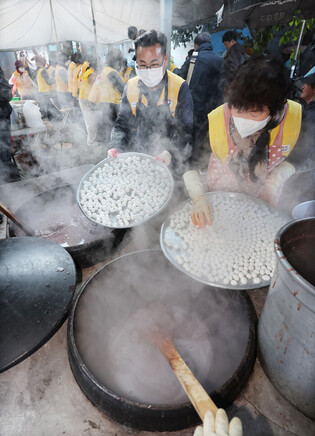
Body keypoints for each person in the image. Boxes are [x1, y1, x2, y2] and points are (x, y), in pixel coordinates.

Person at [183, 56, 304, 227]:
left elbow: (299, 156)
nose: (242, 118)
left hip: (264, 203)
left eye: (254, 113)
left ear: (277, 108)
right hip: (219, 201)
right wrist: (199, 198)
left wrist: (273, 182)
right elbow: (190, 164)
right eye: (237, 107)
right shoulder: (216, 121)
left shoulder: (295, 118)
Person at [109, 30, 193, 170]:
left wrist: (170, 152)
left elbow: (185, 128)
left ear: (165, 60)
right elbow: (122, 124)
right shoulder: (131, 87)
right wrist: (115, 146)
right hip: (141, 153)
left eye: (154, 64)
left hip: (170, 157)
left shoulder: (179, 87)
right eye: (142, 65)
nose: (148, 70)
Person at [178, 32, 223, 161]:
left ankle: (187, 164)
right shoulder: (220, 60)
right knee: (205, 138)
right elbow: (224, 86)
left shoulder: (193, 59)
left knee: (189, 137)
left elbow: (180, 79)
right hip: (212, 110)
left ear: (196, 45)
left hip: (193, 108)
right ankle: (201, 164)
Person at [98, 48, 127, 142]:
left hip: (104, 103)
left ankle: (108, 148)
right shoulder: (112, 72)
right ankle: (115, 149)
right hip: (113, 104)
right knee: (115, 129)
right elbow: (122, 89)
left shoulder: (104, 71)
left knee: (108, 128)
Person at [0, 67, 21, 184]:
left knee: (4, 154)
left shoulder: (0, 81)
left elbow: (7, 95)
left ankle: (13, 182)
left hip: (2, 120)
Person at [78, 58, 99, 146]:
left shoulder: (87, 72)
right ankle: (90, 141)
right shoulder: (91, 73)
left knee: (90, 120)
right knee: (90, 121)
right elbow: (94, 87)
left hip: (84, 98)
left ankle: (92, 139)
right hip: (85, 100)